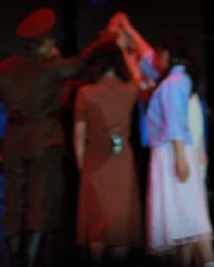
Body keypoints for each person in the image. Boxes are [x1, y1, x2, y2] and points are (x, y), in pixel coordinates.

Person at [0, 8, 110, 267]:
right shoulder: (51, 68)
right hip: (44, 141)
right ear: (46, 42)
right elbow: (81, 62)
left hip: (13, 142)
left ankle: (16, 261)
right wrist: (103, 39)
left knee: (14, 208)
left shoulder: (4, 68)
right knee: (39, 209)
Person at [144, 34, 214, 267]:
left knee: (188, 220)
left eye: (158, 54)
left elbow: (175, 123)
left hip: (172, 153)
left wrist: (180, 159)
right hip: (175, 152)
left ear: (166, 54)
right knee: (186, 225)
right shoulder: (179, 79)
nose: (155, 60)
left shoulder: (173, 83)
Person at [73, 40, 143, 265]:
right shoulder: (130, 90)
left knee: (96, 221)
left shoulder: (86, 93)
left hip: (94, 161)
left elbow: (78, 135)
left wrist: (83, 165)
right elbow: (139, 77)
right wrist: (125, 51)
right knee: (120, 222)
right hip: (121, 162)